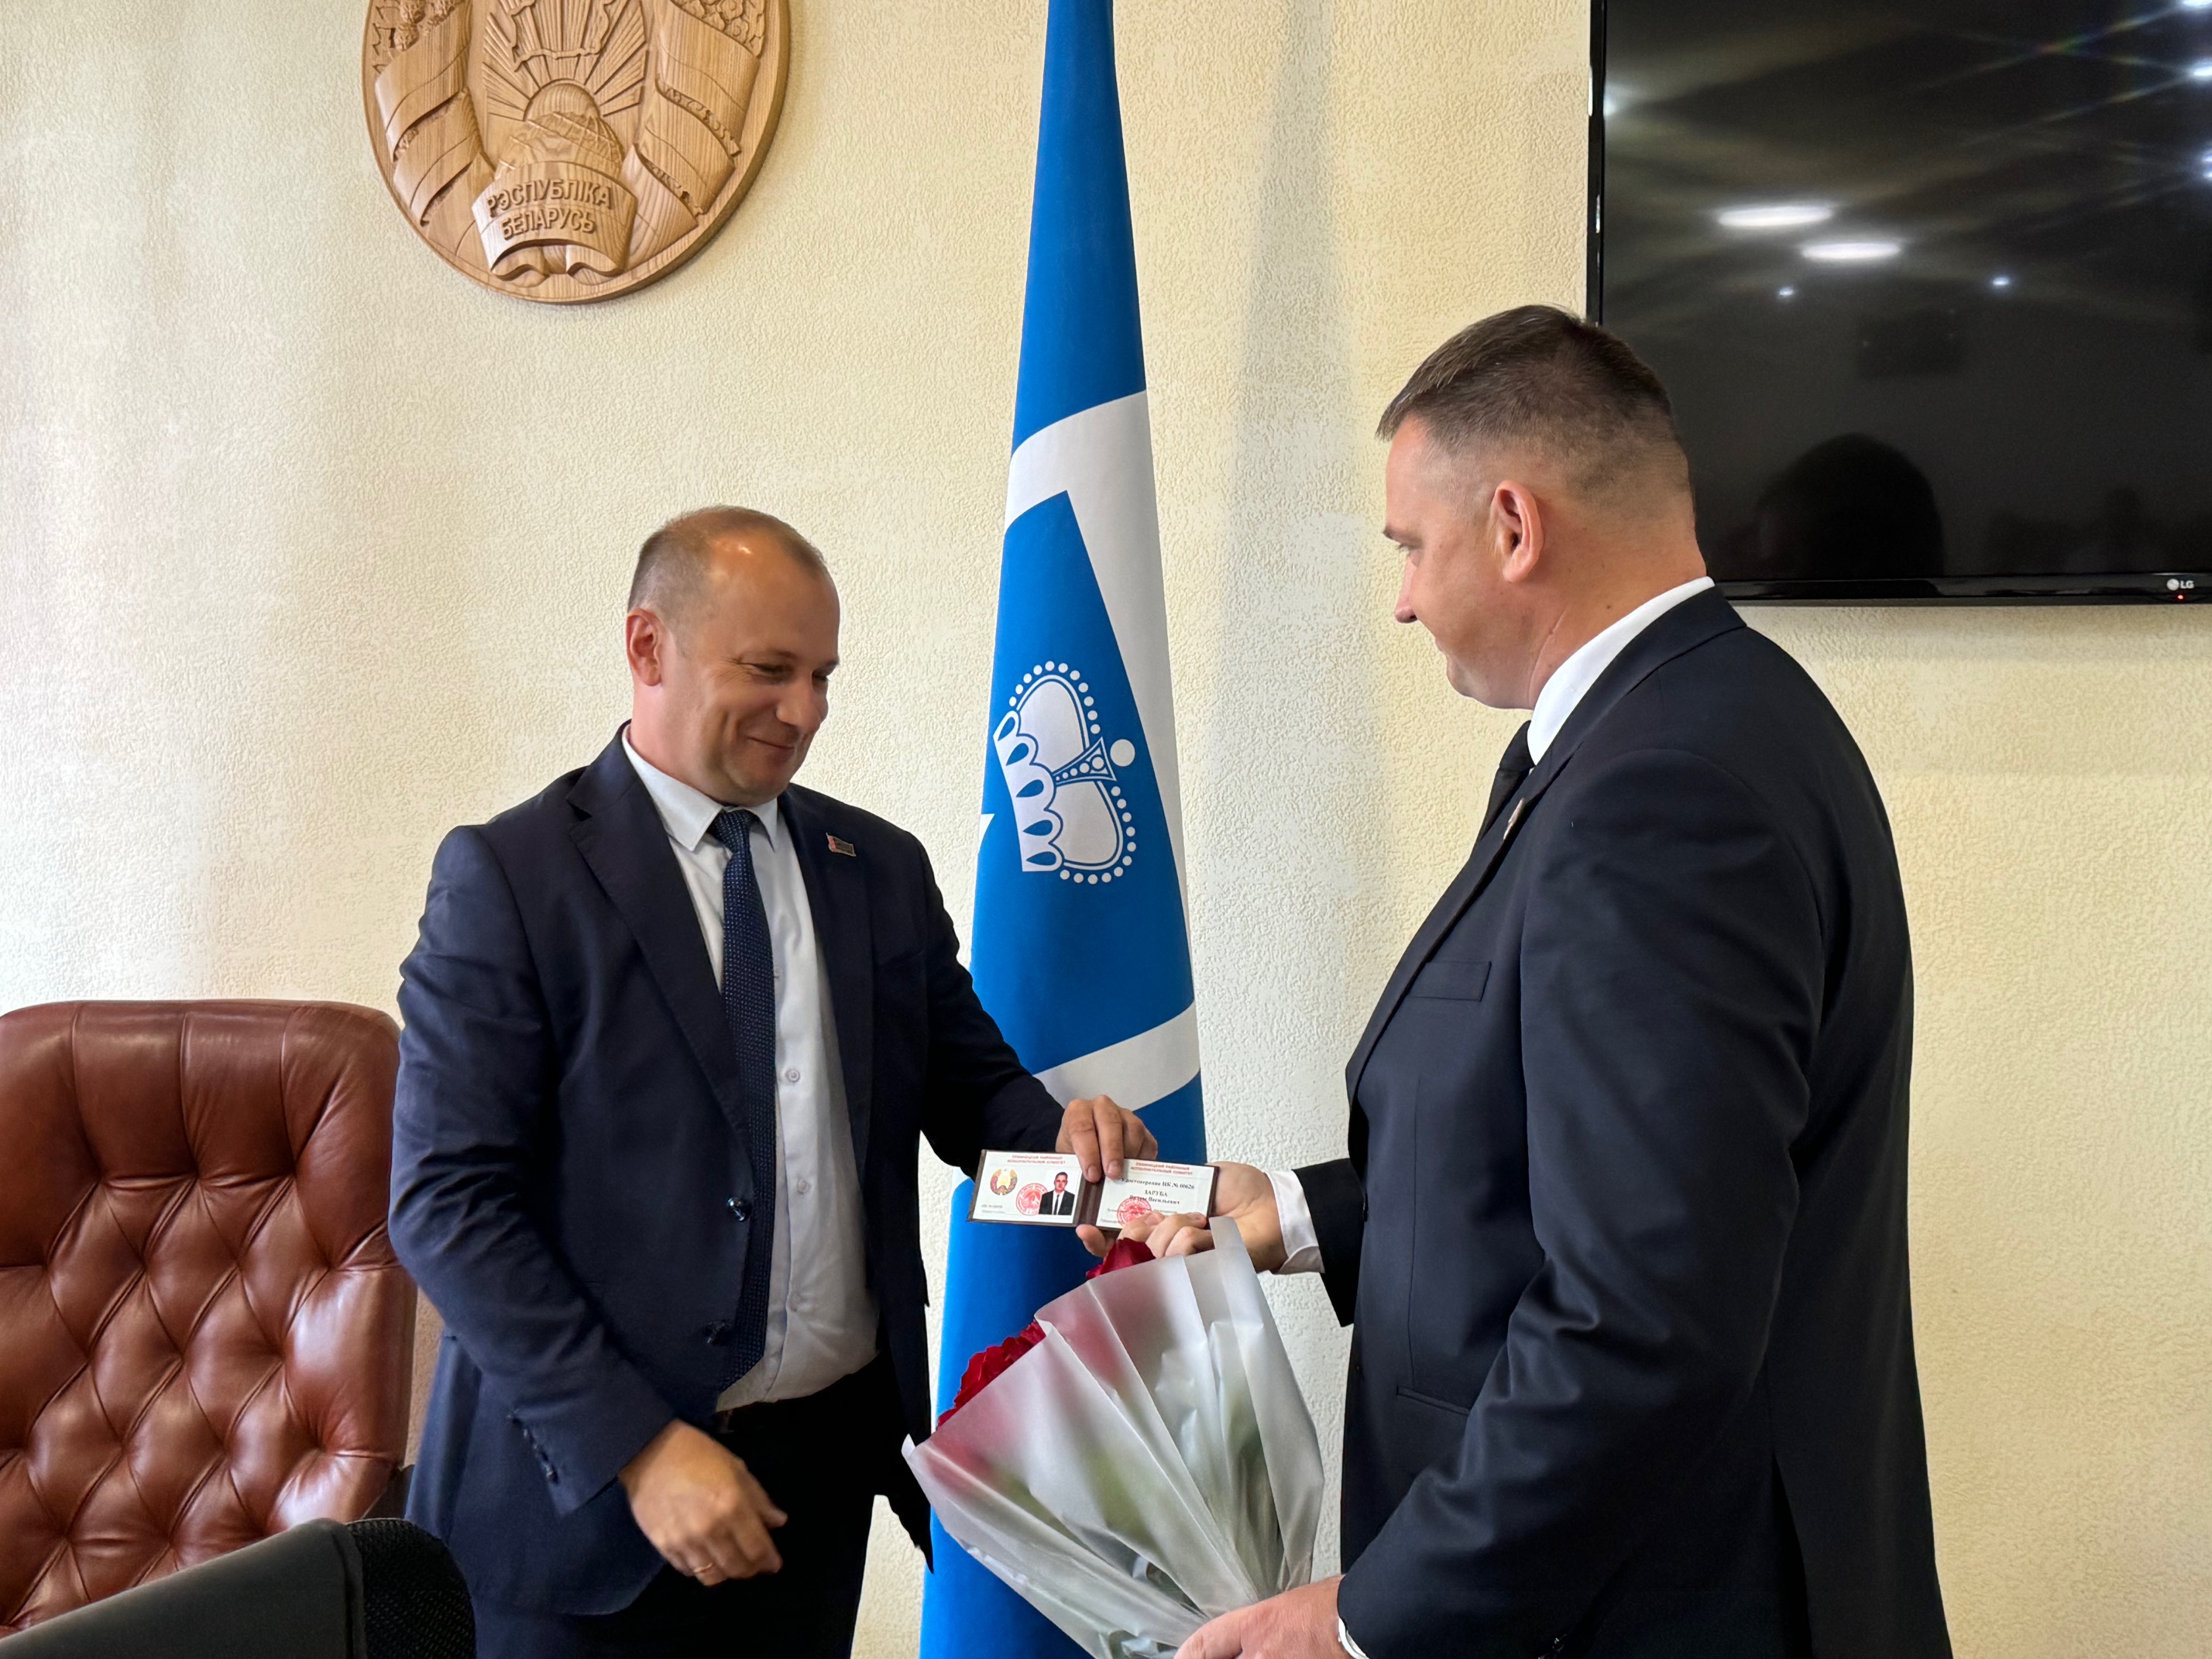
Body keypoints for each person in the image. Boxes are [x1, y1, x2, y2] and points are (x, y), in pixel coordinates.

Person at [1102, 308, 1950, 1658]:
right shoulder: (1705, 716)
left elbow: (1641, 1317)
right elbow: (1579, 1157)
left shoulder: (1660, 791)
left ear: (1512, 525)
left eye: (1409, 547)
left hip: (1651, 1612)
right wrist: (1302, 1215)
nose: (1401, 599)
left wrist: (1367, 1619)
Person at [390, 507, 1154, 1659]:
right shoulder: (511, 878)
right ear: (648, 646)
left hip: (814, 1495)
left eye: (823, 677)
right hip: (583, 1512)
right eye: (769, 670)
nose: (804, 712)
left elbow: (975, 1095)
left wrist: (1072, 1147)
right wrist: (638, 1446)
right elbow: (446, 1203)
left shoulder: (877, 868)